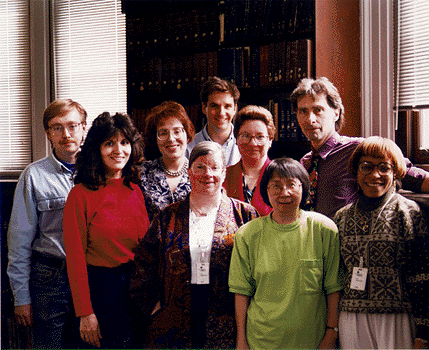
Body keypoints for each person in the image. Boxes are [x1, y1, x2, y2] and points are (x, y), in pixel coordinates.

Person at [130, 141, 258, 349]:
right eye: (200, 167)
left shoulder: (245, 215)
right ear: (189, 172)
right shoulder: (167, 217)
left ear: (224, 173)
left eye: (214, 167)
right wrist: (155, 308)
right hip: (175, 323)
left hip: (228, 321)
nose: (207, 173)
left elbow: (259, 269)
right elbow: (143, 266)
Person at [334, 137, 429, 349]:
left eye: (384, 168)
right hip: (350, 319)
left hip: (396, 320)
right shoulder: (342, 217)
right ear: (356, 171)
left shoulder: (408, 213)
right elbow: (336, 277)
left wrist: (423, 334)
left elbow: (423, 277)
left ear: (395, 173)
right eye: (366, 167)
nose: (375, 175)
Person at [290, 77, 429, 218]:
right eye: (303, 111)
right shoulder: (305, 163)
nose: (310, 119)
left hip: (350, 241)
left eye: (318, 110)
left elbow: (411, 176)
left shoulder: (358, 149)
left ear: (336, 113)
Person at [229, 157, 342, 349]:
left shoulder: (324, 229)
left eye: (292, 184)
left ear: (304, 188)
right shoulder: (247, 235)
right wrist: (241, 339)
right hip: (261, 341)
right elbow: (241, 292)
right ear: (266, 190)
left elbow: (334, 287)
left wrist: (332, 332)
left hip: (312, 341)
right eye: (276, 186)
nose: (285, 192)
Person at [63, 112, 149, 348]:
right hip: (99, 292)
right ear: (96, 150)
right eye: (109, 143)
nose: (118, 150)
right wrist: (85, 312)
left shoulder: (135, 190)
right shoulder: (79, 195)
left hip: (134, 290)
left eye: (124, 142)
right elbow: (75, 258)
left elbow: (146, 251)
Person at [6, 99, 87, 349]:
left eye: (73, 125)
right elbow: (19, 243)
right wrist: (21, 298)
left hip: (91, 276)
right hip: (50, 278)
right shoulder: (33, 177)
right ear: (48, 134)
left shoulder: (100, 173)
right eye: (57, 127)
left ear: (84, 128)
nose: (66, 134)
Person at [140, 101, 195, 221]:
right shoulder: (142, 173)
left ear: (187, 133)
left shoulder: (200, 171)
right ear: (155, 138)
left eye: (177, 131)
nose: (171, 139)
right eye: (163, 133)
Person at [223, 105, 274, 216]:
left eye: (260, 136)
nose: (252, 143)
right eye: (245, 136)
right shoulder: (222, 177)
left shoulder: (282, 176)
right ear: (236, 139)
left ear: (270, 140)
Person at [186, 76, 241, 166]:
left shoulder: (246, 144)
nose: (221, 113)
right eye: (214, 106)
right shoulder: (189, 147)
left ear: (235, 109)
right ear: (204, 108)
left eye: (227, 106)